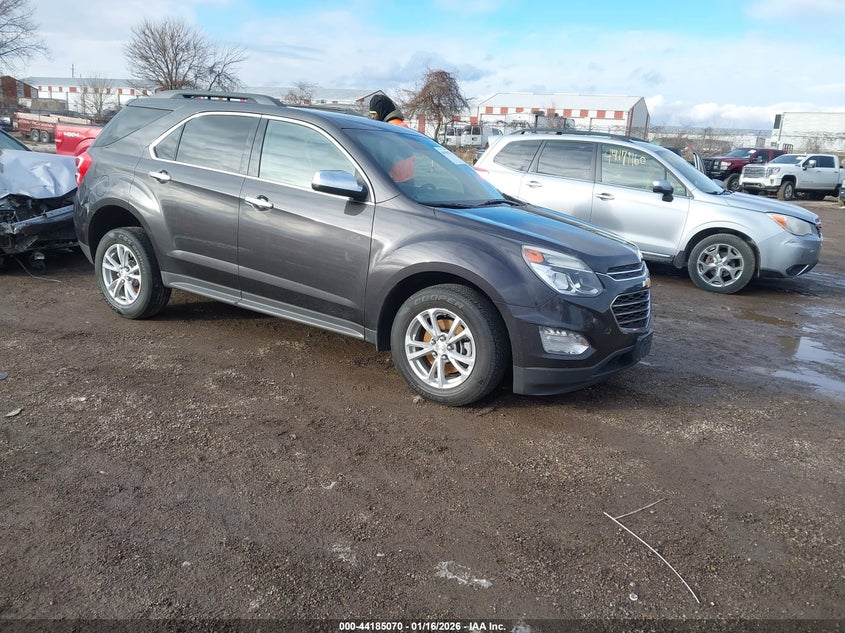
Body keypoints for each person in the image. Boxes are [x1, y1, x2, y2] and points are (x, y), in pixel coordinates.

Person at [367, 94, 414, 183]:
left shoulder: (388, 129)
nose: (372, 117)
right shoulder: (401, 125)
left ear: (382, 111)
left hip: (393, 183)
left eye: (374, 113)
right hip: (408, 180)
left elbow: (384, 160)